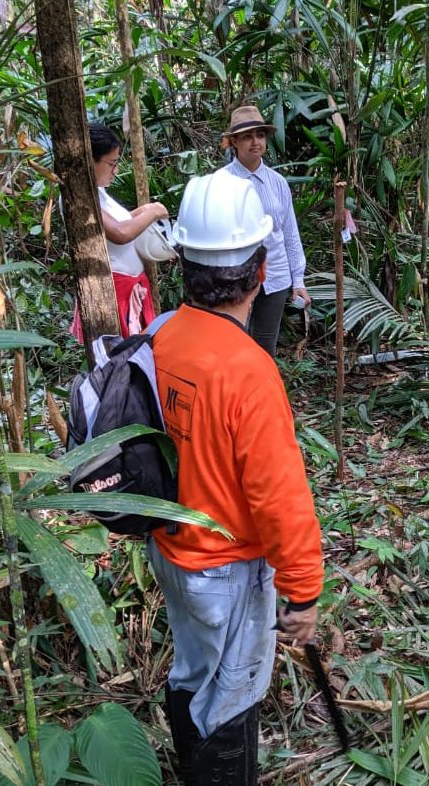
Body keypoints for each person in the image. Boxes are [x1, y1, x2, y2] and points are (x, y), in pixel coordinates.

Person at [151, 170, 324, 784]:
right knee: (231, 701)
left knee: (194, 672)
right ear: (257, 271)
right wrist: (302, 591)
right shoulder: (248, 369)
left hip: (172, 550)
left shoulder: (161, 337)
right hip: (225, 567)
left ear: (185, 265)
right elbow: (279, 496)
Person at [218, 105, 308, 356]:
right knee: (235, 345)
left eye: (259, 135)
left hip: (276, 277)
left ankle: (262, 394)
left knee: (266, 348)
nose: (255, 142)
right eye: (247, 136)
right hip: (237, 279)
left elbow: (290, 233)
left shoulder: (277, 182)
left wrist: (298, 280)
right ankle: (235, 395)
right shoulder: (221, 183)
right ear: (234, 142)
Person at [69, 122, 169, 341]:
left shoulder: (98, 191)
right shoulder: (79, 197)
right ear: (90, 161)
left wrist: (142, 211)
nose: (116, 170)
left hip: (130, 288)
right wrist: (152, 213)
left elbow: (116, 222)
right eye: (111, 163)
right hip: (113, 294)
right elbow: (119, 233)